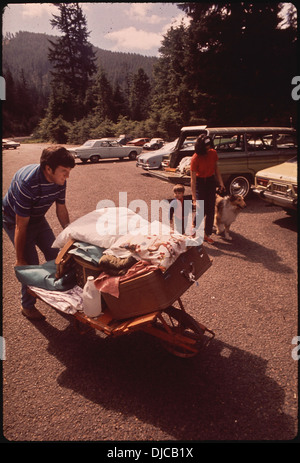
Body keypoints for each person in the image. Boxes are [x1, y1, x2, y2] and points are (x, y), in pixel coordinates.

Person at [2, 145, 75, 320]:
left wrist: (71, 234)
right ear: (48, 169)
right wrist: (20, 259)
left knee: (56, 255)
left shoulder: (60, 181)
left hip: (37, 218)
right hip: (14, 220)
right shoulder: (28, 183)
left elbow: (61, 209)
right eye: (64, 171)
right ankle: (27, 306)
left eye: (69, 171)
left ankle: (57, 293)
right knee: (31, 265)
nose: (67, 176)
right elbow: (21, 225)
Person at [191, 134, 225, 244]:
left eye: (209, 145)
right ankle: (194, 227)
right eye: (206, 146)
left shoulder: (213, 153)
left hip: (210, 181)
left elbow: (216, 169)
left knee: (210, 210)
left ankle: (207, 234)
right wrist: (194, 198)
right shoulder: (195, 158)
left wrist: (221, 182)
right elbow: (193, 180)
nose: (208, 147)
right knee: (201, 209)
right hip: (200, 183)